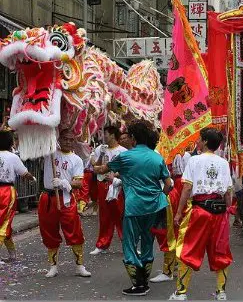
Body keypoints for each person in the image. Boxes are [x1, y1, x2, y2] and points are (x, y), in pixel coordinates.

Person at [94, 120, 172, 296]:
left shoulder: (125, 157)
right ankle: (144, 280)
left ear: (134, 138)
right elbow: (168, 184)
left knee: (129, 244)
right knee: (147, 242)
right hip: (155, 207)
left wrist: (96, 162)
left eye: (128, 135)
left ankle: (139, 285)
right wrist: (161, 196)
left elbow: (102, 170)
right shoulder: (157, 157)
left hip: (134, 207)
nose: (126, 139)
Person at [169, 128, 233, 301]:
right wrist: (227, 211)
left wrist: (178, 212)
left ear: (205, 141)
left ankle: (181, 293)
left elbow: (187, 188)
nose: (196, 141)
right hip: (219, 213)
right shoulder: (223, 163)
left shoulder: (194, 161)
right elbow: (228, 192)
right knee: (220, 251)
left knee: (188, 249)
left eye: (199, 138)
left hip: (200, 211)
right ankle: (221, 292)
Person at [38, 129, 91, 278]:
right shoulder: (50, 153)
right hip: (48, 198)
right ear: (59, 139)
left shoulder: (76, 159)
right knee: (49, 232)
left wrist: (63, 183)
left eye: (71, 139)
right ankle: (53, 266)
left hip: (66, 198)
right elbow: (41, 142)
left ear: (74, 141)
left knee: (74, 232)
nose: (68, 142)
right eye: (65, 139)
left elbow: (79, 183)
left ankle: (79, 265)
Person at [150, 151, 191, 283]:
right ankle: (174, 264)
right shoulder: (158, 152)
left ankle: (168, 270)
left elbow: (167, 181)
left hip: (165, 195)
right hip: (165, 194)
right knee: (165, 233)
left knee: (167, 234)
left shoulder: (157, 153)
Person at [90, 126, 127, 255]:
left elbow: (126, 170)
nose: (103, 136)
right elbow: (95, 166)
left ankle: (127, 244)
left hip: (117, 185)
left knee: (120, 214)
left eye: (105, 134)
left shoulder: (123, 151)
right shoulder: (100, 148)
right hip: (102, 184)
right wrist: (101, 155)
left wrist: (115, 175)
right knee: (104, 215)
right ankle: (102, 244)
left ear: (112, 135)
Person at [0, 130, 35, 263]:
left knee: (5, 223)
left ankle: (12, 254)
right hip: (7, 192)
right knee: (4, 222)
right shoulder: (12, 157)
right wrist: (33, 178)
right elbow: (25, 174)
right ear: (10, 143)